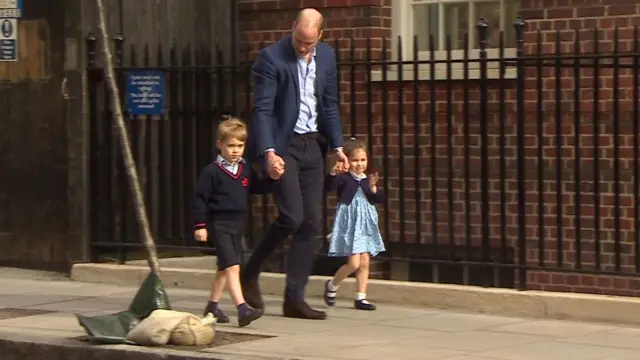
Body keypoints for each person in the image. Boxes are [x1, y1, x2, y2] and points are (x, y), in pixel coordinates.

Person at [241, 8, 349, 320]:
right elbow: (261, 110)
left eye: (309, 44)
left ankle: (294, 298)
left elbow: (329, 104)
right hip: (284, 144)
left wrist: (338, 146)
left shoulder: (327, 57)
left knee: (311, 222)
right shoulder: (271, 58)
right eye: (299, 41)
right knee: (291, 216)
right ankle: (249, 272)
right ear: (292, 29)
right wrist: (269, 153)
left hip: (313, 144)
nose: (302, 48)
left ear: (321, 37)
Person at [193, 117, 269, 327]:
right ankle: (242, 309)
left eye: (240, 146)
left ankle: (212, 306)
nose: (235, 150)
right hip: (220, 225)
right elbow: (200, 199)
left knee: (223, 269)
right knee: (233, 267)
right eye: (230, 145)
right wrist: (200, 225)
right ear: (220, 145)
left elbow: (257, 188)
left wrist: (273, 178)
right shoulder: (212, 172)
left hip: (238, 224)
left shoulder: (245, 169)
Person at [323, 138, 385, 311]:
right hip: (350, 223)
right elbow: (329, 187)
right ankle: (332, 285)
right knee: (354, 263)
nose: (360, 164)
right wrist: (333, 173)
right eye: (355, 160)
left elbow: (378, 199)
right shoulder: (344, 179)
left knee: (365, 261)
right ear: (348, 161)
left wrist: (373, 189)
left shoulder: (367, 180)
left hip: (365, 223)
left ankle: (361, 297)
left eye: (363, 160)